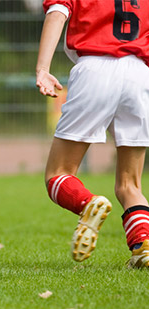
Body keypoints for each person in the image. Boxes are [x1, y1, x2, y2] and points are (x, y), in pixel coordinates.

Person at [36, 0, 149, 268]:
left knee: (58, 173)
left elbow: (57, 14)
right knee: (130, 184)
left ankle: (89, 203)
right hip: (140, 75)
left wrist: (42, 69)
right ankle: (143, 246)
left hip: (95, 68)